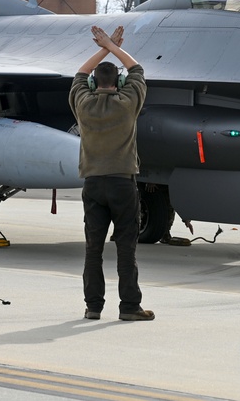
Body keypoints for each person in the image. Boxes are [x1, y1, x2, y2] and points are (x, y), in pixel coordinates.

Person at [69, 25, 154, 322]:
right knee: (126, 249)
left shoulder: (83, 103)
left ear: (95, 84)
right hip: (122, 183)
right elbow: (137, 70)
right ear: (117, 83)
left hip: (92, 184)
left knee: (93, 250)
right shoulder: (127, 103)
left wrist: (103, 48)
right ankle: (129, 307)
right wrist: (114, 47)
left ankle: (93, 306)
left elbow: (79, 75)